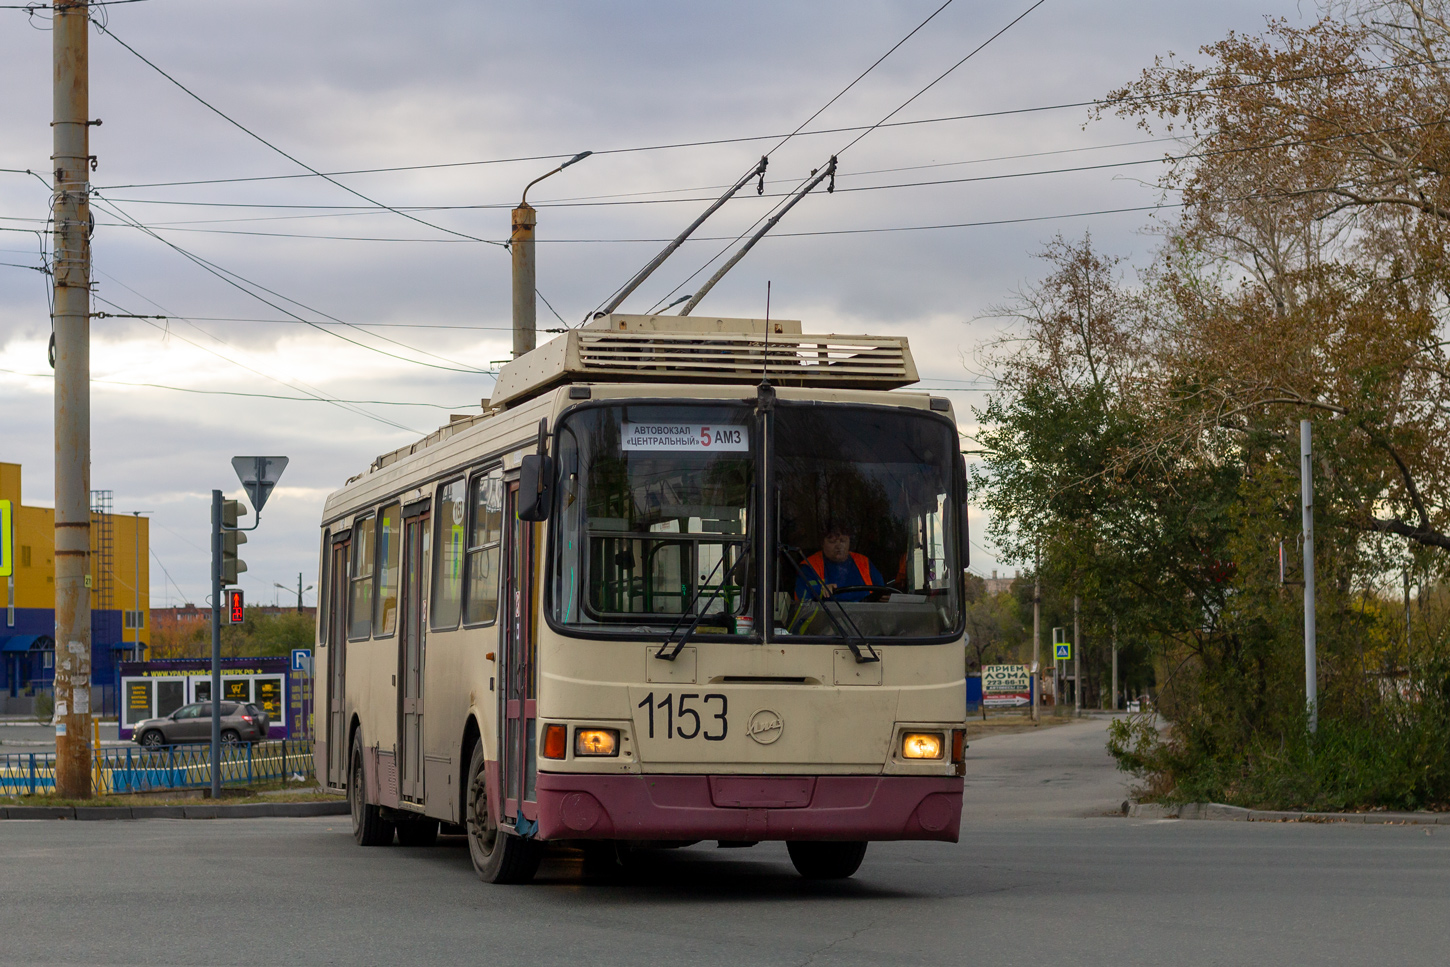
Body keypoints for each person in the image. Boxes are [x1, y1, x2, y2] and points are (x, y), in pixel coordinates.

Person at [794, 520, 887, 602]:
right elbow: (802, 597)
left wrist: (886, 597)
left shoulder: (864, 563)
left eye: (843, 540)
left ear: (849, 541)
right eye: (832, 541)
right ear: (822, 543)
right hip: (827, 619)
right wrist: (820, 590)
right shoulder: (810, 566)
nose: (839, 545)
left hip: (865, 618)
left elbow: (881, 591)